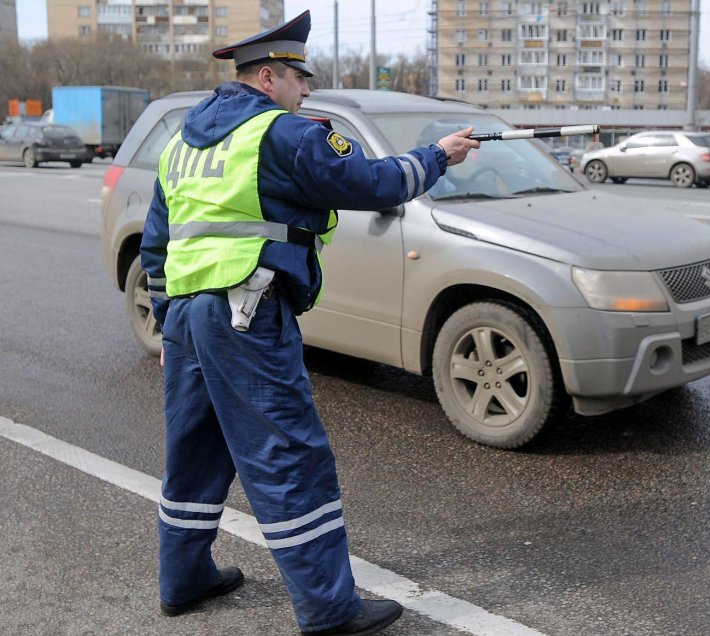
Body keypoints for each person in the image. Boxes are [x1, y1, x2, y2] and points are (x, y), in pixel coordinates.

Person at [139, 9, 479, 636]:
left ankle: (182, 580)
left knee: (194, 449)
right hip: (246, 311)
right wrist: (439, 155)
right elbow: (375, 183)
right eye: (300, 79)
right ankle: (328, 609)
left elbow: (156, 245)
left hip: (186, 317)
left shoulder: (181, 145)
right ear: (268, 77)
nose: (306, 91)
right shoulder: (283, 134)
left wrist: (165, 325)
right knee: (288, 455)